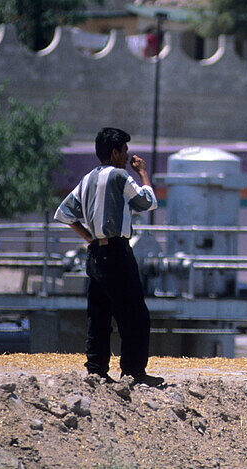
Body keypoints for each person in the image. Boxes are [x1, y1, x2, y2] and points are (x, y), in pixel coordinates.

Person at [55, 127, 163, 386]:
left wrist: (90, 238)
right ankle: (134, 371)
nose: (127, 155)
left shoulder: (88, 178)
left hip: (95, 253)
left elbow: (64, 213)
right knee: (134, 314)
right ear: (114, 152)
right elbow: (147, 202)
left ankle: (96, 369)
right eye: (124, 150)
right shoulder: (119, 176)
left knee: (99, 313)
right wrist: (143, 172)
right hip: (117, 251)